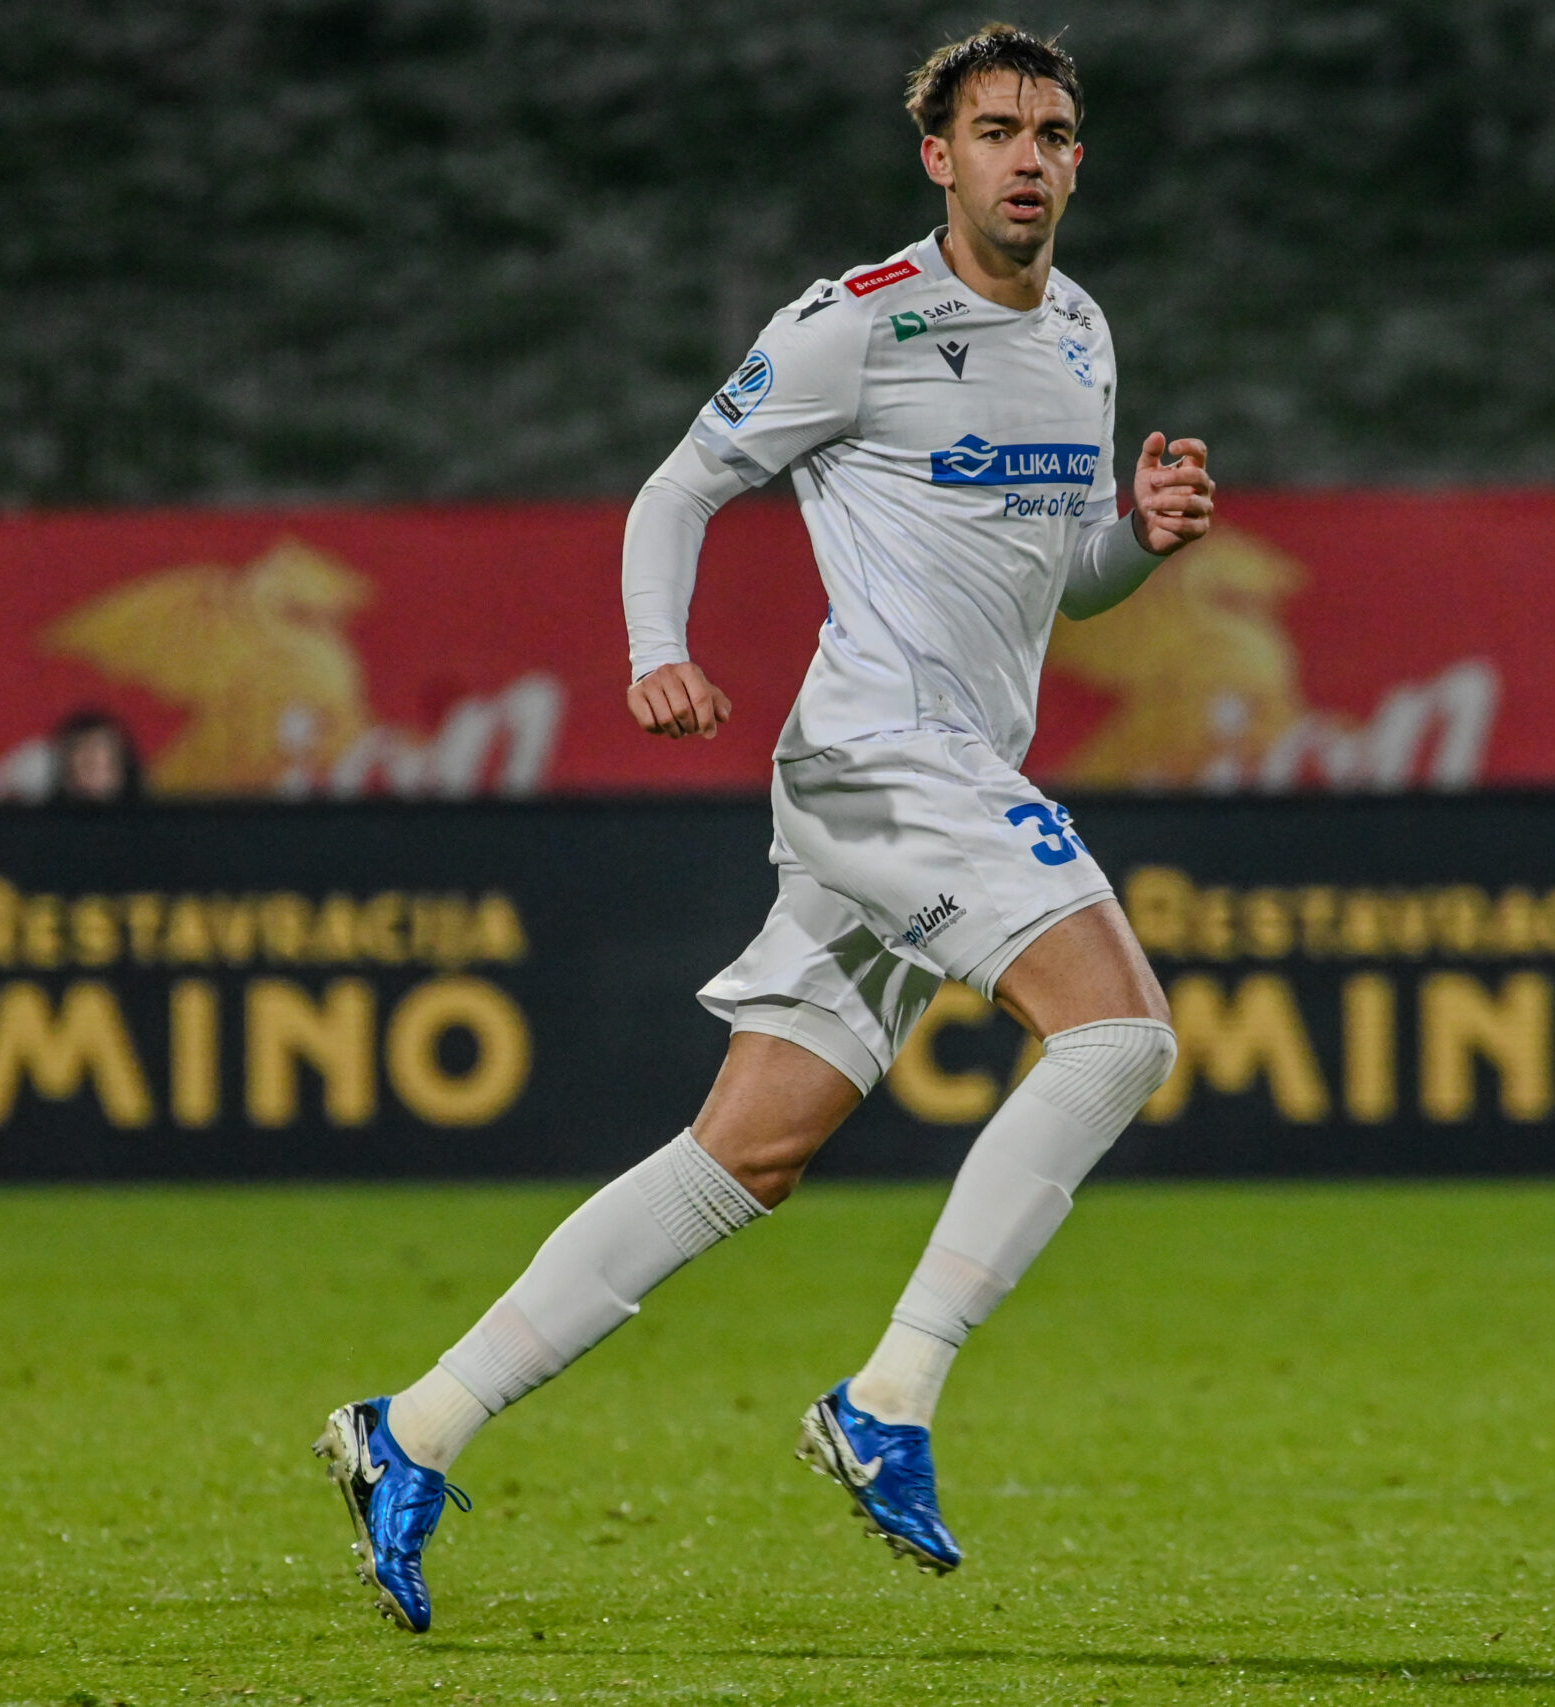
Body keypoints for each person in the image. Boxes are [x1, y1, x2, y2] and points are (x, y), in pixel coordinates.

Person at [316, 22, 1216, 1633]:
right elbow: (678, 488)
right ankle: (892, 1397)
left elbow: (1057, 580)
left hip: (934, 772)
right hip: (883, 758)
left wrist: (1133, 542)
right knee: (1119, 1035)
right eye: (995, 130)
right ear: (937, 156)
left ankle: (416, 1425)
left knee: (749, 1152)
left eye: (1052, 133)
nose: (1026, 157)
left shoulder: (1081, 332)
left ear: (1079, 161)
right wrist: (655, 652)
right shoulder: (855, 325)